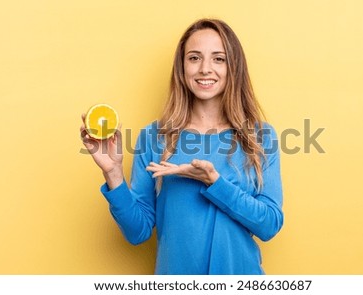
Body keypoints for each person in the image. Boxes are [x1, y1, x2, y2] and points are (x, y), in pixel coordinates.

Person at [80, 18, 284, 275]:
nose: (205, 69)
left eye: (218, 59)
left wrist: (215, 182)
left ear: (234, 67)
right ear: (182, 66)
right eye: (194, 58)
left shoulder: (260, 137)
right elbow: (137, 232)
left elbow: (270, 225)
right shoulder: (155, 136)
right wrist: (113, 174)